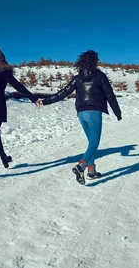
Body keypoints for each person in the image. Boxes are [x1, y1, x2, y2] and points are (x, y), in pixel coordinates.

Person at [42, 50, 122, 185]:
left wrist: (45, 101)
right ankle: (81, 167)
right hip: (93, 113)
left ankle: (91, 171)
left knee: (91, 143)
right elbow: (109, 95)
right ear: (94, 61)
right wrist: (117, 112)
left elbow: (63, 93)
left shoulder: (77, 78)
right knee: (94, 144)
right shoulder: (100, 76)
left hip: (81, 114)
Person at [0, 45, 42, 181]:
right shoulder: (4, 72)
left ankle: (4, 157)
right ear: (2, 61)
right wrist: (33, 98)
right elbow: (18, 86)